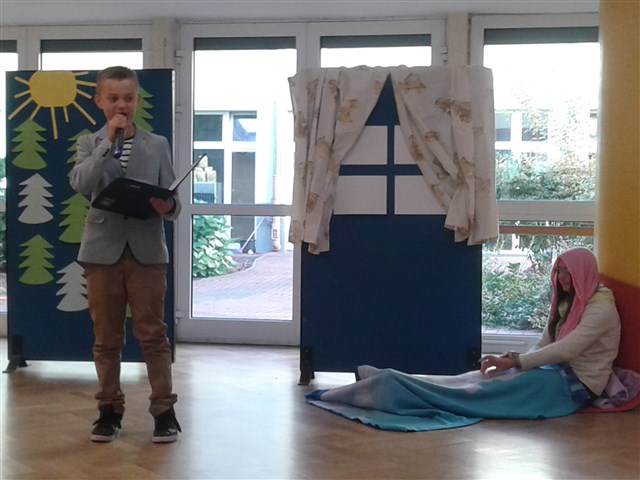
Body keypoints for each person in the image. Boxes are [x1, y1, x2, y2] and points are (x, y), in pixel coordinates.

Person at [306, 247, 621, 431]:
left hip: (573, 386)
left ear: (582, 273)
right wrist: (514, 360)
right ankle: (393, 379)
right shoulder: (573, 302)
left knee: (476, 393)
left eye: (567, 273)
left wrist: (516, 363)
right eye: (559, 272)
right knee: (472, 379)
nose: (562, 279)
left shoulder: (601, 308)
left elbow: (568, 348)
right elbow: (547, 342)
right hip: (556, 373)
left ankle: (390, 385)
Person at [70, 66, 182, 443]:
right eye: (114, 99)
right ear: (99, 101)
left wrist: (168, 206)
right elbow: (81, 183)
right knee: (106, 337)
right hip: (102, 252)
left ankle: (164, 411)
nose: (122, 105)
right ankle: (108, 410)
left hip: (147, 251)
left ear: (137, 100)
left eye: (129, 98)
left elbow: (174, 199)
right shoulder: (89, 143)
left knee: (153, 334)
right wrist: (107, 143)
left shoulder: (157, 144)